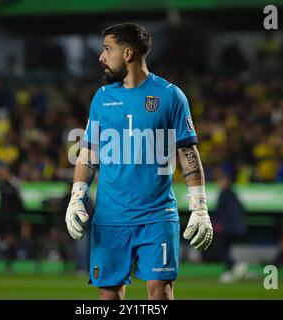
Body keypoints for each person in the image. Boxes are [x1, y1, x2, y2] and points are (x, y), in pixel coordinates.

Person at [65, 23, 213, 300]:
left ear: (128, 53)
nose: (101, 57)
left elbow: (188, 153)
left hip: (157, 216)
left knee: (160, 293)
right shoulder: (102, 98)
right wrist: (77, 197)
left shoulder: (170, 96)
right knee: (109, 297)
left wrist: (200, 207)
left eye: (108, 49)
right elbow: (88, 153)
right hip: (110, 218)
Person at [204, 171, 247, 283]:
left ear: (225, 182)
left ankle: (235, 265)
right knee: (225, 250)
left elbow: (219, 211)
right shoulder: (234, 194)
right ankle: (229, 272)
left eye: (220, 181)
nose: (219, 183)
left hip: (225, 228)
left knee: (221, 250)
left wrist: (211, 223)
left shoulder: (224, 194)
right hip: (235, 228)